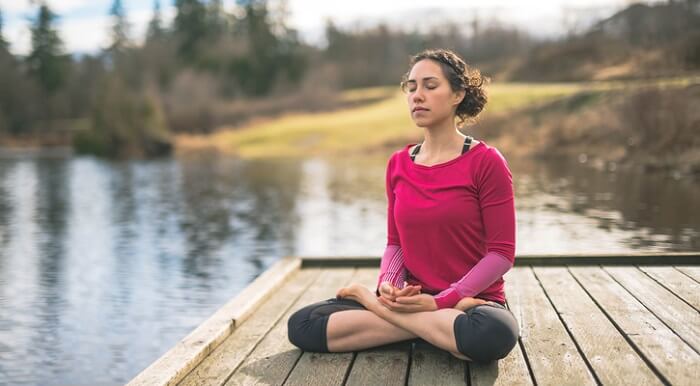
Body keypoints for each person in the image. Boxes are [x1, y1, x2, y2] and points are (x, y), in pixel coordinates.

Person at [287, 48, 519, 363]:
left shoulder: (486, 162)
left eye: (429, 86)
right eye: (411, 87)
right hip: (414, 303)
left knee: (494, 333)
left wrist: (444, 300)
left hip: (473, 303)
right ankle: (432, 331)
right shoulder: (398, 164)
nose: (417, 96)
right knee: (303, 325)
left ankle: (373, 306)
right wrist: (387, 285)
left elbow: (501, 254)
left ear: (458, 94)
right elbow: (395, 244)